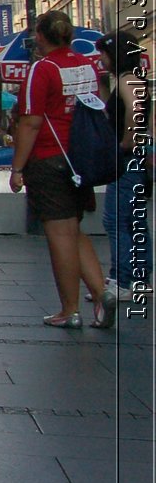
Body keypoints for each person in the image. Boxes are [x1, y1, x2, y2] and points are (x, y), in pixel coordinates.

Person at [10, 11, 116, 329]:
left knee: (59, 235)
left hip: (48, 158)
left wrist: (17, 168)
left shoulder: (42, 69)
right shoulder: (86, 64)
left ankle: (69, 309)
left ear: (41, 36)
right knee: (73, 229)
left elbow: (31, 122)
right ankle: (100, 293)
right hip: (79, 157)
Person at [97, 31, 147, 301]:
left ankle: (121, 279)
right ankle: (140, 277)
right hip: (135, 158)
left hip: (126, 159)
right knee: (135, 221)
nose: (101, 59)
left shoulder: (127, 81)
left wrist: (126, 141)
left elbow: (135, 110)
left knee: (116, 220)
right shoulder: (131, 80)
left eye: (104, 54)